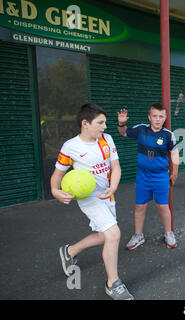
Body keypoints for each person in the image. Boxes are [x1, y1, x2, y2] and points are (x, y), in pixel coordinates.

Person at [51, 103, 134, 300]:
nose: (105, 127)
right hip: (89, 198)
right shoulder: (70, 147)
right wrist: (55, 191)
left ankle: (70, 251)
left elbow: (116, 167)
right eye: (100, 123)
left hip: (107, 194)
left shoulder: (107, 140)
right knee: (114, 233)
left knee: (104, 236)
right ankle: (113, 283)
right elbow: (57, 174)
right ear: (85, 123)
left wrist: (113, 187)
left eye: (105, 122)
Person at [117, 103, 179, 250]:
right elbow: (123, 132)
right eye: (155, 116)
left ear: (165, 118)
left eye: (161, 116)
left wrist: (175, 172)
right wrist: (121, 123)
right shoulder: (141, 129)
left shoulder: (168, 135)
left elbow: (175, 154)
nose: (158, 119)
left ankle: (168, 233)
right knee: (140, 206)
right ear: (149, 117)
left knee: (163, 206)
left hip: (161, 177)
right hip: (143, 177)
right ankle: (138, 236)